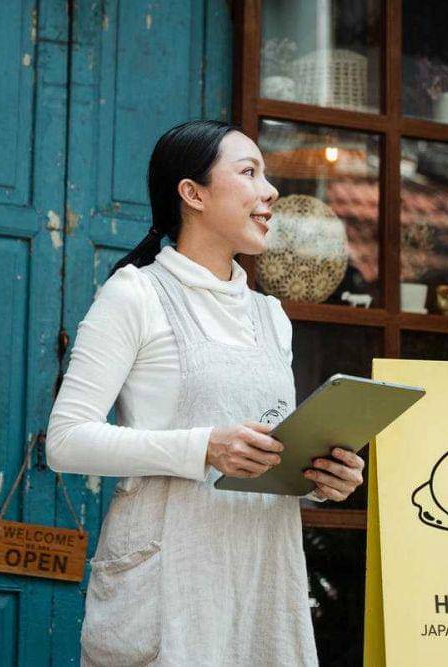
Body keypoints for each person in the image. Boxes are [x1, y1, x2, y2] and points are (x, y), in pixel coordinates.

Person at [46, 119, 365, 666]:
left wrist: (320, 478)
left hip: (262, 577)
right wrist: (204, 447)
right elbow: (65, 440)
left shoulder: (271, 316)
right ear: (193, 194)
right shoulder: (135, 294)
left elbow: (269, 451)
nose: (270, 191)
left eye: (266, 174)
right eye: (249, 172)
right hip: (170, 581)